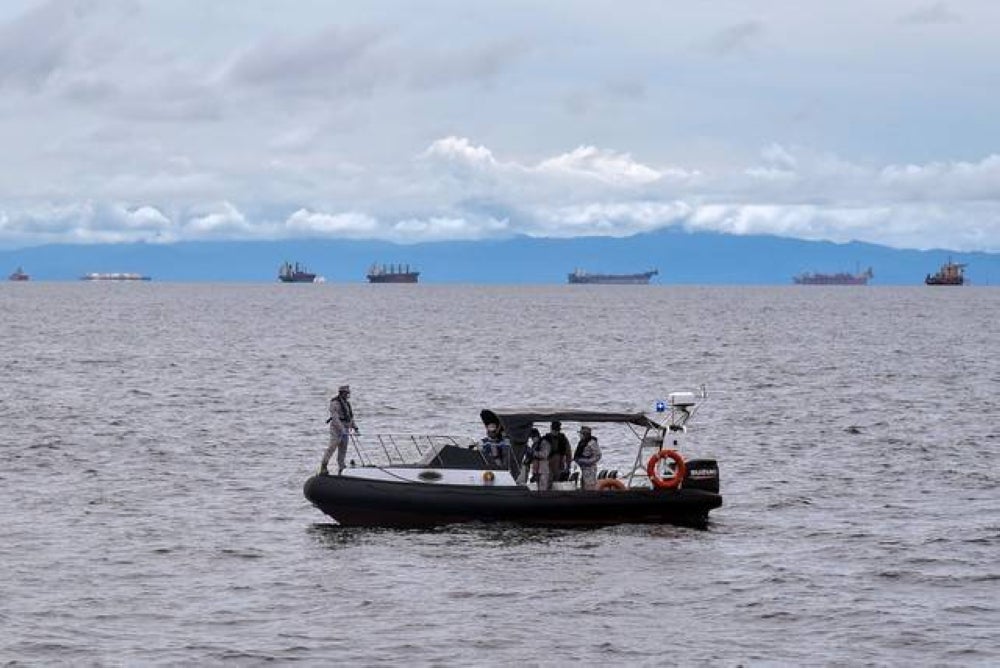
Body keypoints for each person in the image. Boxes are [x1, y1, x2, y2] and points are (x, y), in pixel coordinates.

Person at [320, 385, 358, 475]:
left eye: (348, 393)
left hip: (346, 427)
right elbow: (335, 418)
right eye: (346, 393)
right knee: (332, 446)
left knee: (343, 448)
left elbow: (350, 417)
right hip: (336, 429)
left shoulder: (347, 404)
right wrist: (342, 429)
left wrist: (355, 427)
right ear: (342, 393)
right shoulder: (334, 403)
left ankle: (341, 467)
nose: (347, 395)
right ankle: (324, 466)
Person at [573, 425, 602, 490]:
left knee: (590, 486)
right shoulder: (582, 442)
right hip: (583, 468)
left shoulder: (592, 443)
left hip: (590, 469)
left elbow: (598, 455)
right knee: (583, 484)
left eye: (581, 434)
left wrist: (588, 462)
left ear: (585, 434)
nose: (580, 435)